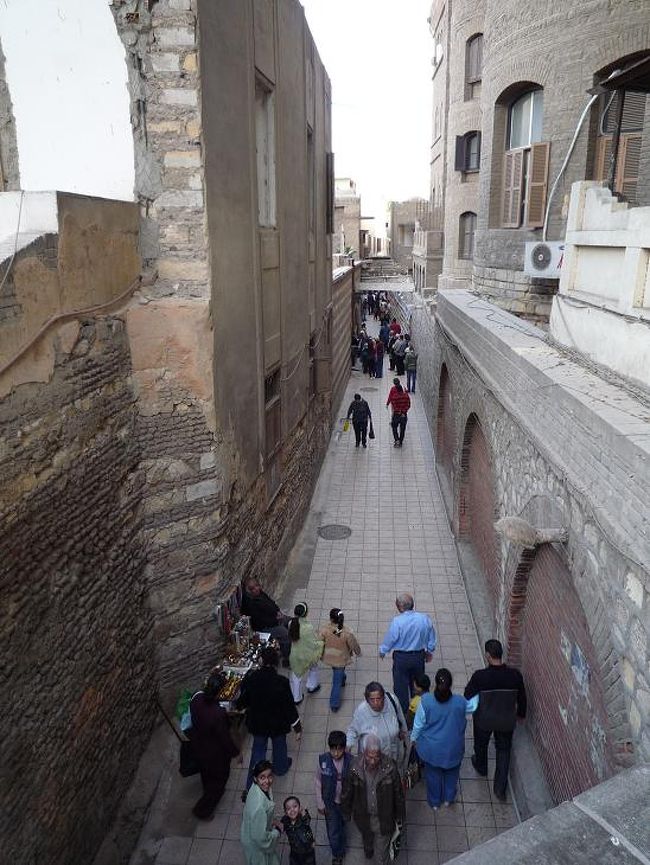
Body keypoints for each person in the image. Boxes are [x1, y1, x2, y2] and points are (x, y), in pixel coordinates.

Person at [464, 639, 527, 801]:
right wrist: (521, 714)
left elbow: (467, 695)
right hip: (506, 719)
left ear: (487, 655)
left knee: (481, 744)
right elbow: (522, 697)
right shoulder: (515, 676)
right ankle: (500, 789)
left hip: (484, 719)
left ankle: (481, 766)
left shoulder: (480, 677)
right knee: (504, 751)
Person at [237, 646, 302, 795]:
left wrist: (240, 706)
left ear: (261, 661)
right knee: (280, 746)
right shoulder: (281, 682)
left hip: (258, 723)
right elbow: (289, 707)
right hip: (277, 724)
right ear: (276, 663)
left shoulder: (252, 678)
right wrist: (297, 727)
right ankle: (280, 767)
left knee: (258, 751)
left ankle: (252, 785)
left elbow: (244, 699)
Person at [411, 669, 478, 810]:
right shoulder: (460, 702)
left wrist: (413, 739)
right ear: (451, 685)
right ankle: (448, 798)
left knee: (433, 776)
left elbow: (418, 725)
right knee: (452, 775)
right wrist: (480, 694)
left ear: (435, 683)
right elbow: (473, 706)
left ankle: (435, 802)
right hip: (453, 749)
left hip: (431, 751)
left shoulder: (426, 701)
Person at [340, 734, 405, 865]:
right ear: (363, 752)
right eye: (370, 756)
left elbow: (398, 794)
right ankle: (368, 850)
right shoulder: (354, 767)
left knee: (382, 854)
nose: (373, 761)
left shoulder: (390, 767)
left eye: (376, 756)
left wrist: (400, 816)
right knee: (367, 839)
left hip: (384, 818)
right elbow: (347, 791)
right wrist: (346, 811)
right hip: (363, 816)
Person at [189, 672, 240, 819]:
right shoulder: (217, 713)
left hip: (198, 745)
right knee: (220, 779)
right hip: (214, 753)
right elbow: (224, 738)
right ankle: (203, 809)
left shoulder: (196, 698)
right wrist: (236, 753)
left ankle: (207, 789)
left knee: (206, 773)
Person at [379, 592, 436, 714]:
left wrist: (383, 650)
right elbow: (432, 636)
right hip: (418, 656)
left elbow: (391, 638)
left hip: (401, 658)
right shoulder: (424, 618)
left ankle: (404, 711)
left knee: (400, 685)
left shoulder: (397, 621)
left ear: (400, 606)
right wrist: (429, 651)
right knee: (417, 682)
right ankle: (419, 707)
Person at [347, 682, 408, 773]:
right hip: (373, 760)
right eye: (372, 699)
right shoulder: (361, 711)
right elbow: (353, 730)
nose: (376, 703)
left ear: (384, 697)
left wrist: (404, 731)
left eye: (379, 698)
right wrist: (348, 745)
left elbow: (401, 718)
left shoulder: (392, 700)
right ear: (367, 699)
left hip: (393, 754)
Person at [316, 730, 352, 865]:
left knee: (342, 822)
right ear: (329, 747)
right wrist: (320, 802)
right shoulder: (323, 761)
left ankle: (341, 825)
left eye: (339, 749)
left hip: (345, 802)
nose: (336, 753)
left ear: (344, 748)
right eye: (333, 749)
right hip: (329, 803)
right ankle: (338, 854)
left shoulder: (351, 761)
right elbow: (318, 781)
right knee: (333, 831)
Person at [241, 760, 283, 865]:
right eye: (262, 777)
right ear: (255, 779)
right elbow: (261, 839)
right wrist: (277, 831)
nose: (267, 781)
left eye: (269, 776)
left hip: (249, 833)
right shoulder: (259, 808)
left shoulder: (256, 787)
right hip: (256, 846)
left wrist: (271, 820)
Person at [319, 608, 362, 712]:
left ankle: (342, 678)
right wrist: (358, 652)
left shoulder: (324, 629)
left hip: (329, 656)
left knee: (337, 672)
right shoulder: (347, 632)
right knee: (336, 683)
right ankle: (334, 704)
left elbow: (318, 642)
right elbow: (353, 644)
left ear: (331, 619)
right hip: (341, 659)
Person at [241, 578, 291, 663]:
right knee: (285, 635)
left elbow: (271, 602)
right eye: (252, 588)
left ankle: (294, 647)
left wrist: (277, 611)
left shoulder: (260, 594)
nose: (256, 589)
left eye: (257, 586)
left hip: (275, 618)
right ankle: (287, 659)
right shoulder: (250, 604)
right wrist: (276, 620)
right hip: (266, 627)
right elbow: (260, 621)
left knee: (292, 622)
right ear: (249, 591)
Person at [289, 602, 323, 703]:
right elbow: (312, 643)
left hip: (295, 655)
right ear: (306, 613)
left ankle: (297, 697)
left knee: (296, 676)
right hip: (307, 655)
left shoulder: (291, 623)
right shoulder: (308, 627)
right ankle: (312, 686)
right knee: (313, 668)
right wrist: (321, 643)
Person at [281, 796, 316, 865]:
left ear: (299, 808)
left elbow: (307, 821)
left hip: (307, 850)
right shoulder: (286, 820)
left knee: (309, 862)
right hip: (295, 850)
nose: (292, 810)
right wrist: (276, 824)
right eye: (288, 809)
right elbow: (281, 826)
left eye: (295, 806)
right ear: (285, 812)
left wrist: (303, 812)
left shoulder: (303, 818)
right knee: (294, 861)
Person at [386, 379, 411, 448]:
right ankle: (401, 441)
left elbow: (394, 406)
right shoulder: (406, 396)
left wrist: (399, 411)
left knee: (394, 427)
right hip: (404, 415)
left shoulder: (394, 397)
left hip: (396, 415)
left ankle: (396, 440)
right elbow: (408, 405)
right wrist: (403, 412)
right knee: (402, 429)